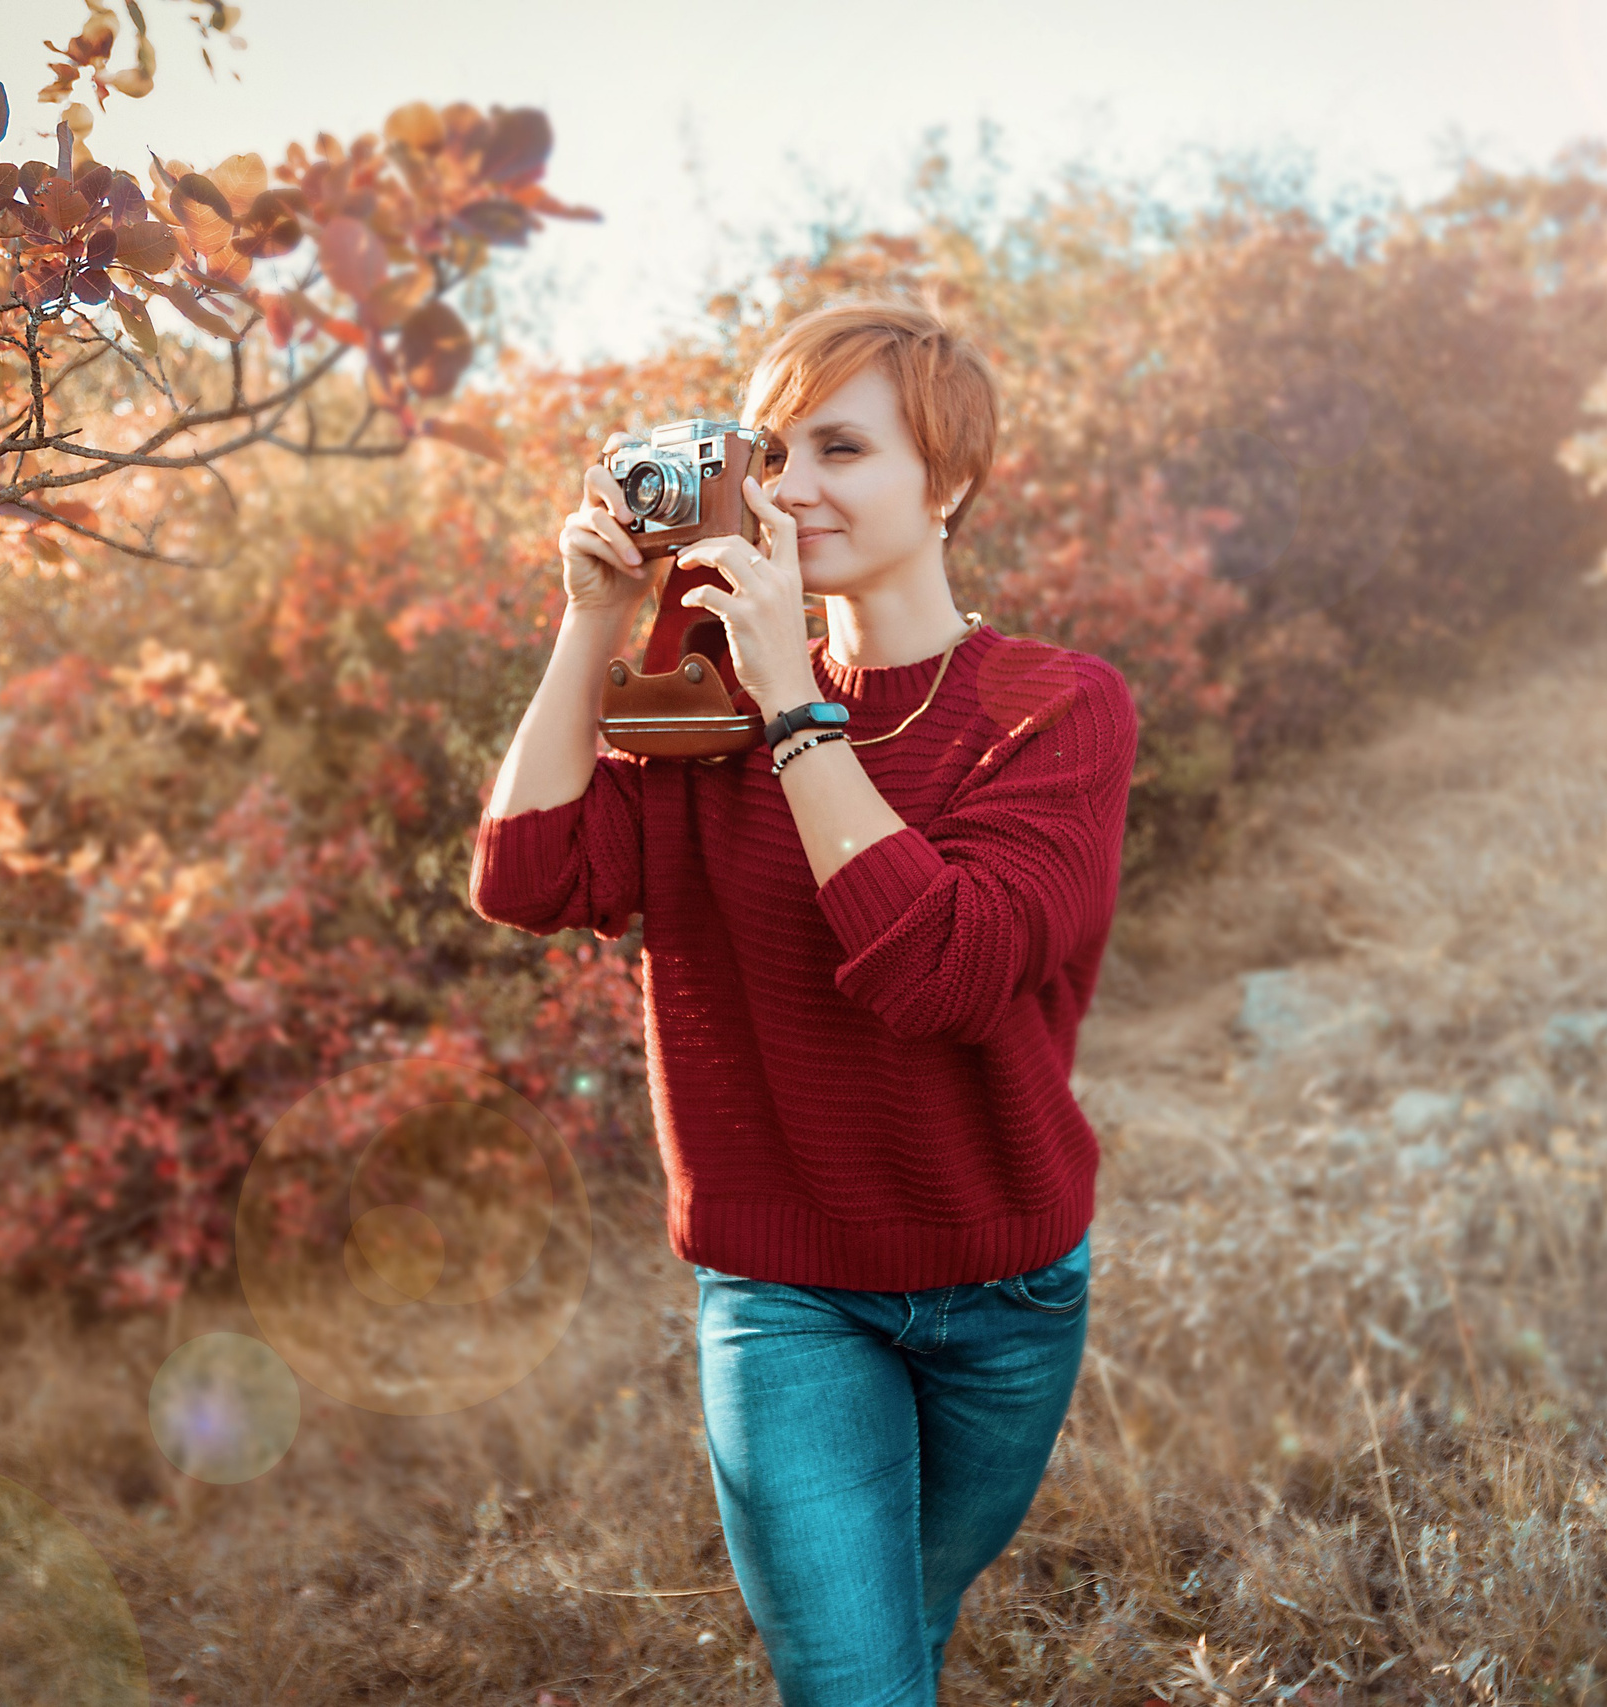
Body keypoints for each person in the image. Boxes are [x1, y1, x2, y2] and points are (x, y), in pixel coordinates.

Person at [467, 297, 1138, 1706]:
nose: (793, 488)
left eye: (843, 449)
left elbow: (944, 971)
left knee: (905, 1622)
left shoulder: (1056, 710)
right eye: (772, 454)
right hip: (785, 1294)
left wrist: (794, 705)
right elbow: (527, 877)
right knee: (854, 1685)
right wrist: (593, 625)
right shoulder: (700, 698)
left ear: (947, 484)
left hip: (1005, 1283)